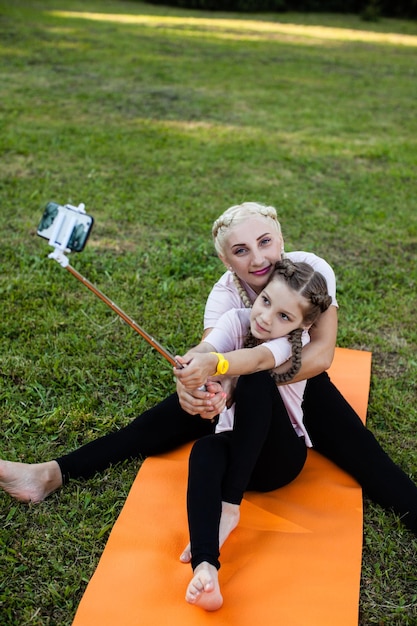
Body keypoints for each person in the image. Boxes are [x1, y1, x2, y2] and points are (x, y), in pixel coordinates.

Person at [1, 202, 416, 539]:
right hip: (242, 391)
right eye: (241, 251)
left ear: (281, 238)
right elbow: (209, 349)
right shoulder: (224, 295)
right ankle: (50, 474)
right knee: (158, 420)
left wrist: (246, 379)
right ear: (225, 258)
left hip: (300, 379)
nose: (258, 258)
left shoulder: (310, 270)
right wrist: (197, 385)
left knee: (368, 457)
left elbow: (322, 354)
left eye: (265, 242)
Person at [174, 259, 332, 610]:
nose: (266, 318)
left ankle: (229, 508)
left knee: (255, 380)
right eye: (266, 302)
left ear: (303, 324)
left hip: (280, 457)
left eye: (284, 316)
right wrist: (195, 359)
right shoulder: (237, 320)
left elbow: (257, 360)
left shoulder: (292, 344)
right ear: (258, 295)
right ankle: (205, 568)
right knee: (204, 449)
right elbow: (209, 347)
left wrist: (216, 366)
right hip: (238, 454)